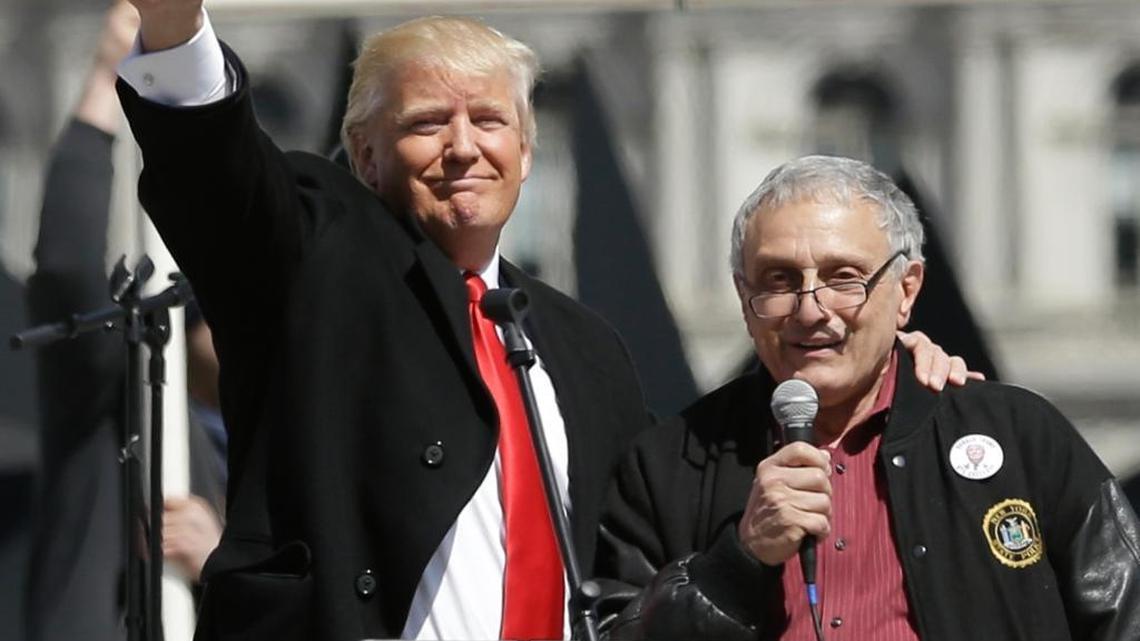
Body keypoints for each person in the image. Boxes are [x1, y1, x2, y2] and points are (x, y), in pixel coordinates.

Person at [114, 4, 974, 639]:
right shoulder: (319, 260)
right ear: (367, 154)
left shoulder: (581, 345)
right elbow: (224, 184)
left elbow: (687, 488)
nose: (463, 146)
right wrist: (175, 23)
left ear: (527, 151)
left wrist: (876, 364)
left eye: (489, 120)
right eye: (425, 123)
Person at [596, 155, 1140, 641]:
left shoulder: (1017, 436)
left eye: (844, 278)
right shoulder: (669, 462)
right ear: (745, 297)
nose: (811, 309)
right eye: (780, 280)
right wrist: (739, 560)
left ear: (906, 292)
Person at [24, 4, 224, 640]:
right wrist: (109, 72)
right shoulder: (122, 400)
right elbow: (67, 264)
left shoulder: (283, 439)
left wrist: (219, 561)